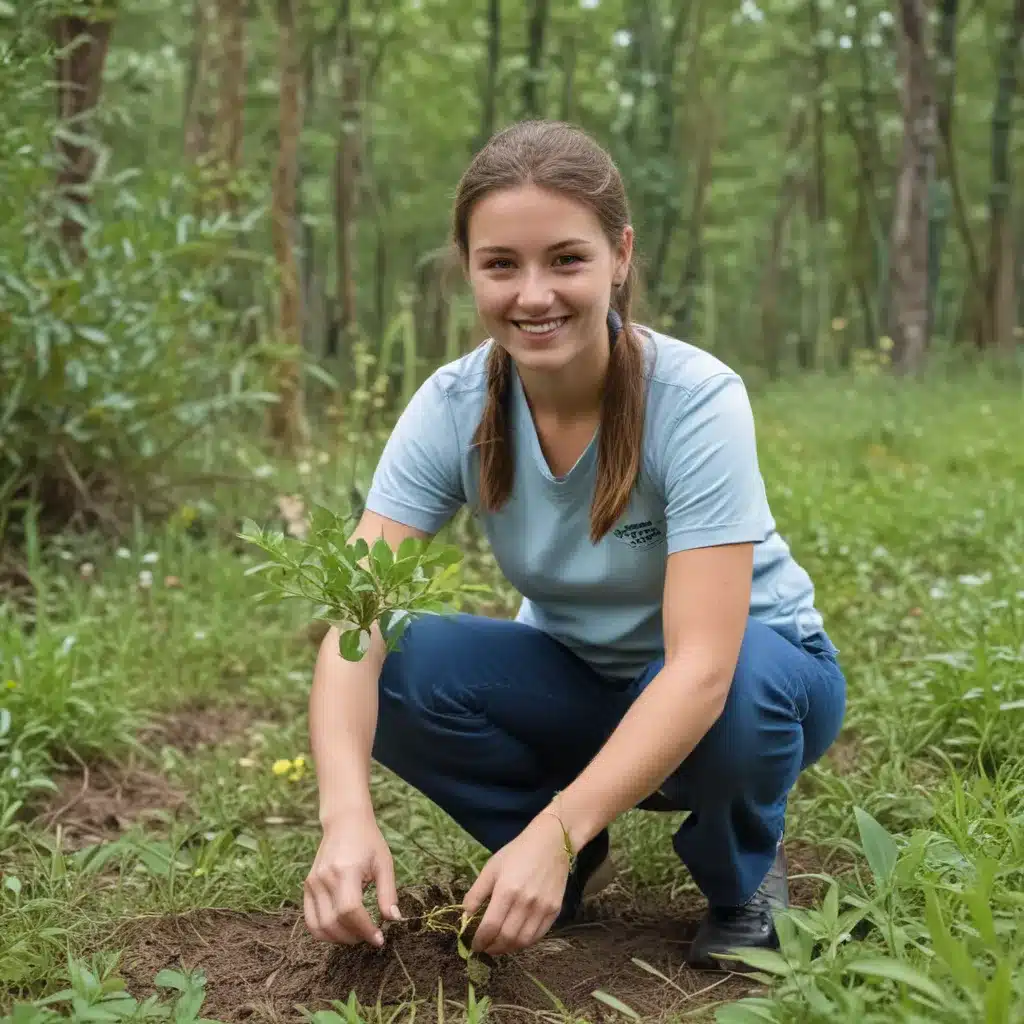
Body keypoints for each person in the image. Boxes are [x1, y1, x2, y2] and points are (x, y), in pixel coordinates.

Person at [302, 119, 846, 971]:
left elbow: (702, 666)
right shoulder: (450, 407)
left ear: (620, 255)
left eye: (566, 259)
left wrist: (556, 827)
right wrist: (344, 818)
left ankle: (741, 877)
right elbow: (353, 621)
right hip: (586, 681)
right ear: (468, 268)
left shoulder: (695, 399)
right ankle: (560, 856)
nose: (533, 294)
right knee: (400, 660)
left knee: (738, 685)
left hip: (757, 679)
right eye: (501, 264)